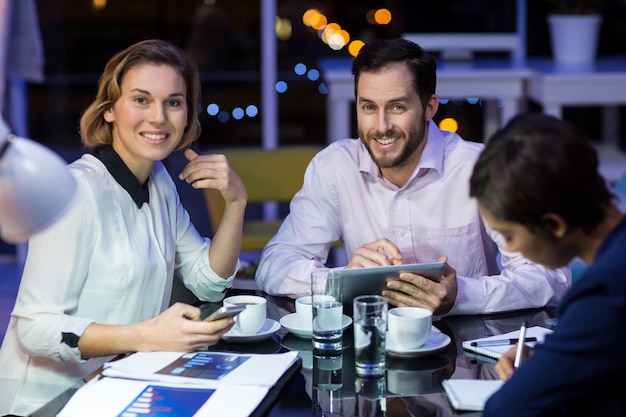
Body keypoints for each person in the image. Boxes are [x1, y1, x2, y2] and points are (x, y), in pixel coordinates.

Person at [0, 39, 247, 416]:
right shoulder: (77, 192)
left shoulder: (159, 181)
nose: (159, 118)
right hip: (45, 403)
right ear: (110, 110)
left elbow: (207, 280)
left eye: (173, 102)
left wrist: (235, 204)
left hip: (115, 385)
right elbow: (34, 328)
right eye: (141, 100)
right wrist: (147, 335)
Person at [255, 38, 570, 315]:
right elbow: (273, 265)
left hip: (463, 359)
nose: (381, 126)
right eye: (368, 107)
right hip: (369, 353)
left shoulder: (480, 168)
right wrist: (340, 281)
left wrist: (463, 294)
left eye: (397, 107)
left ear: (430, 107)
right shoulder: (335, 167)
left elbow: (551, 275)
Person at [471, 113, 626, 417]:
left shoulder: (606, 291)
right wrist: (550, 361)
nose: (509, 249)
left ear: (553, 224)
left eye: (510, 235)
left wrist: (536, 380)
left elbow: (506, 409)